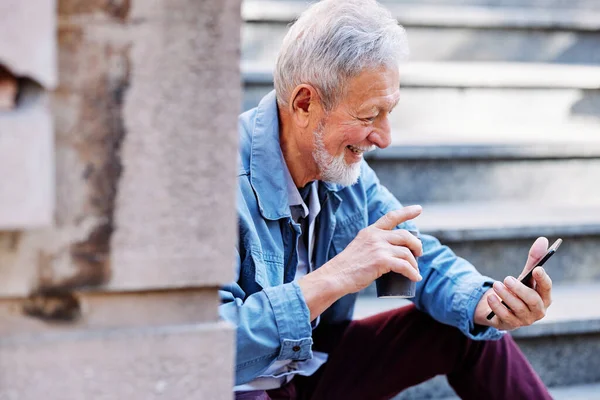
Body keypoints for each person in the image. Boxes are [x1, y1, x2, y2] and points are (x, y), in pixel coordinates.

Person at [221, 1, 553, 399]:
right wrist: (335, 276)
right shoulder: (214, 184)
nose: (384, 137)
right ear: (305, 104)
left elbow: (417, 255)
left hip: (307, 374)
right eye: (368, 115)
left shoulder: (340, 168)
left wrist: (487, 302)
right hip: (232, 389)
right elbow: (207, 346)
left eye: (388, 113)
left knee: (473, 334)